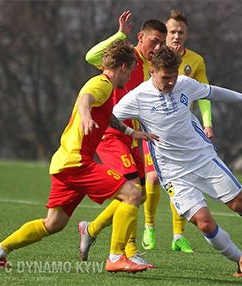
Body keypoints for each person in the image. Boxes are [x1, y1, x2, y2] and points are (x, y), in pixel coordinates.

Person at [0, 39, 159, 273]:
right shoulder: (102, 83)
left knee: (53, 223)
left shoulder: (104, 88)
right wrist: (85, 115)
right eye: (132, 70)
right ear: (124, 67)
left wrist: (130, 131)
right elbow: (86, 97)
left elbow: (107, 115)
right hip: (78, 163)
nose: (129, 79)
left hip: (63, 163)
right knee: (133, 194)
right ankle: (116, 257)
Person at [113, 45, 242, 277]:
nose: (170, 82)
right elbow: (109, 116)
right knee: (204, 223)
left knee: (239, 204)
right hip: (173, 172)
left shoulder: (185, 84)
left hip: (203, 159)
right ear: (152, 71)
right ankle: (241, 260)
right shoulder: (138, 97)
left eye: (173, 77)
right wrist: (131, 133)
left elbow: (212, 92)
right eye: (165, 78)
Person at [77, 10, 166, 265]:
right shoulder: (123, 56)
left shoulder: (150, 67)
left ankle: (91, 229)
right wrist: (119, 35)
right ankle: (125, 253)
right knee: (133, 191)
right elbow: (91, 56)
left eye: (162, 42)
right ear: (141, 37)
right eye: (154, 41)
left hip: (131, 136)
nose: (157, 47)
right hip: (110, 135)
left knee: (141, 195)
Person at [142, 9, 214, 252]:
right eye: (172, 31)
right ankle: (149, 227)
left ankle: (178, 236)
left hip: (182, 133)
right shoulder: (153, 57)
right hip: (152, 130)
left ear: (187, 34)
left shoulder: (195, 61)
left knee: (181, 181)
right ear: (165, 32)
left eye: (180, 32)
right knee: (152, 178)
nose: (176, 36)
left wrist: (207, 123)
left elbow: (205, 94)